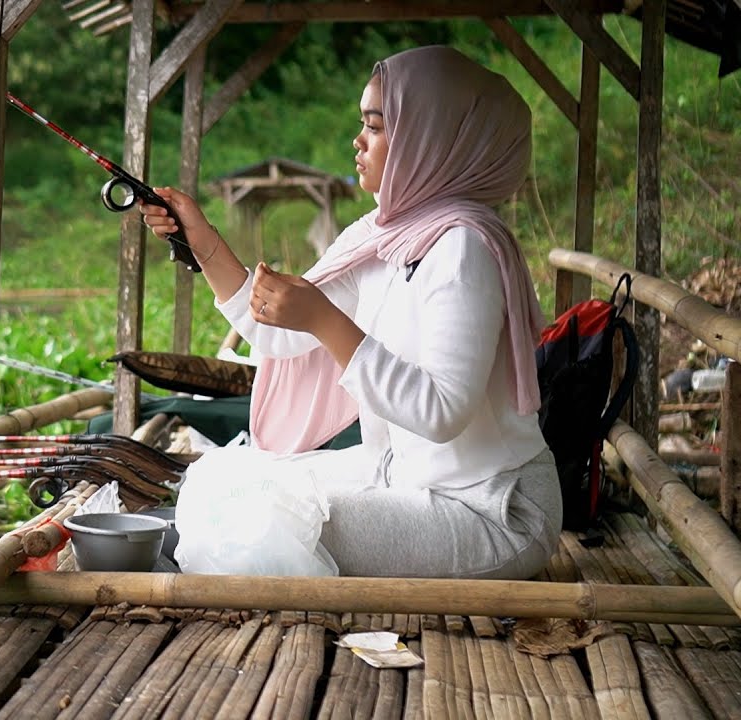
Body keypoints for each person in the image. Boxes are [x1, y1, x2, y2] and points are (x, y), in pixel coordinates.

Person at [139, 45, 562, 580]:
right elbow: (278, 335)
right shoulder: (382, 236)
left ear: (430, 139)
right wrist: (203, 243)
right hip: (400, 481)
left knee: (268, 521)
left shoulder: (464, 249)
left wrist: (325, 321)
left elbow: (441, 412)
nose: (357, 141)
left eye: (377, 126)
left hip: (491, 511)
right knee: (236, 482)